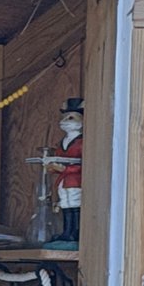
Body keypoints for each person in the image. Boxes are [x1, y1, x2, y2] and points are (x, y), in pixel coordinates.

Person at [53, 98, 83, 246]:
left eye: (70, 118)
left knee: (74, 203)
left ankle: (75, 232)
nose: (65, 121)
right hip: (63, 180)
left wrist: (66, 169)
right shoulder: (62, 142)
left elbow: (84, 164)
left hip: (75, 180)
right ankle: (66, 231)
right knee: (65, 203)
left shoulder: (82, 142)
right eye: (64, 117)